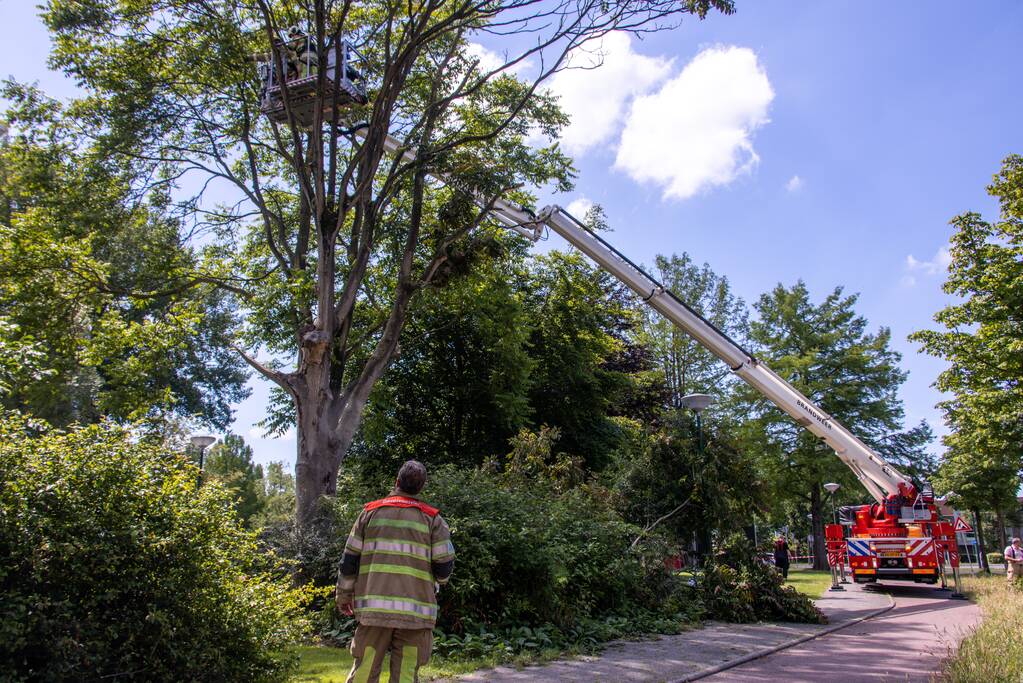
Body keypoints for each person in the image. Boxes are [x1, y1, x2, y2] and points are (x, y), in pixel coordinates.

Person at [336, 460, 455, 683]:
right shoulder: (433, 520)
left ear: (397, 481)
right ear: (421, 487)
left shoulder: (369, 514)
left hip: (374, 611)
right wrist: (438, 582)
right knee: (406, 675)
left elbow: (349, 560)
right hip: (416, 613)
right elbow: (444, 567)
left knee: (364, 672)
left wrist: (344, 595)